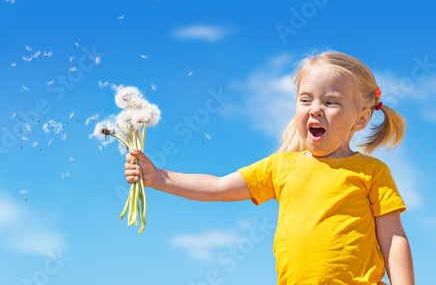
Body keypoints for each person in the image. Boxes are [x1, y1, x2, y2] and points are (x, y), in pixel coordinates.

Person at [123, 51, 415, 285]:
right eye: (305, 99)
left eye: (331, 101)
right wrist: (157, 177)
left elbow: (392, 237)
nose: (315, 108)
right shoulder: (280, 166)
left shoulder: (372, 171)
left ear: (361, 119)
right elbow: (218, 187)